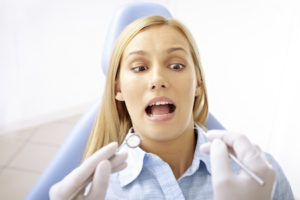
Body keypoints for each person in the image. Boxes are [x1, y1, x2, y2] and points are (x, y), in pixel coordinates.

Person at [49, 15, 294, 200]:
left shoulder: (259, 176)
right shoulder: (98, 191)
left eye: (176, 66)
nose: (157, 79)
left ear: (198, 82)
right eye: (139, 68)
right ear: (118, 89)